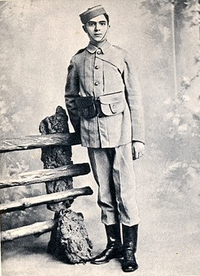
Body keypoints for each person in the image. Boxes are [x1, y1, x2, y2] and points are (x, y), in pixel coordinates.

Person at [65, 5, 145, 273]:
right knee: (105, 193)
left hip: (121, 134)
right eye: (92, 24)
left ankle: (130, 250)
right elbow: (71, 99)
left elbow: (134, 99)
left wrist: (138, 139)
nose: (97, 28)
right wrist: (82, 129)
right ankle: (114, 244)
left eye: (101, 23)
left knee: (125, 192)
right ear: (84, 28)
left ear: (108, 26)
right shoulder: (77, 61)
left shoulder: (121, 56)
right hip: (93, 136)